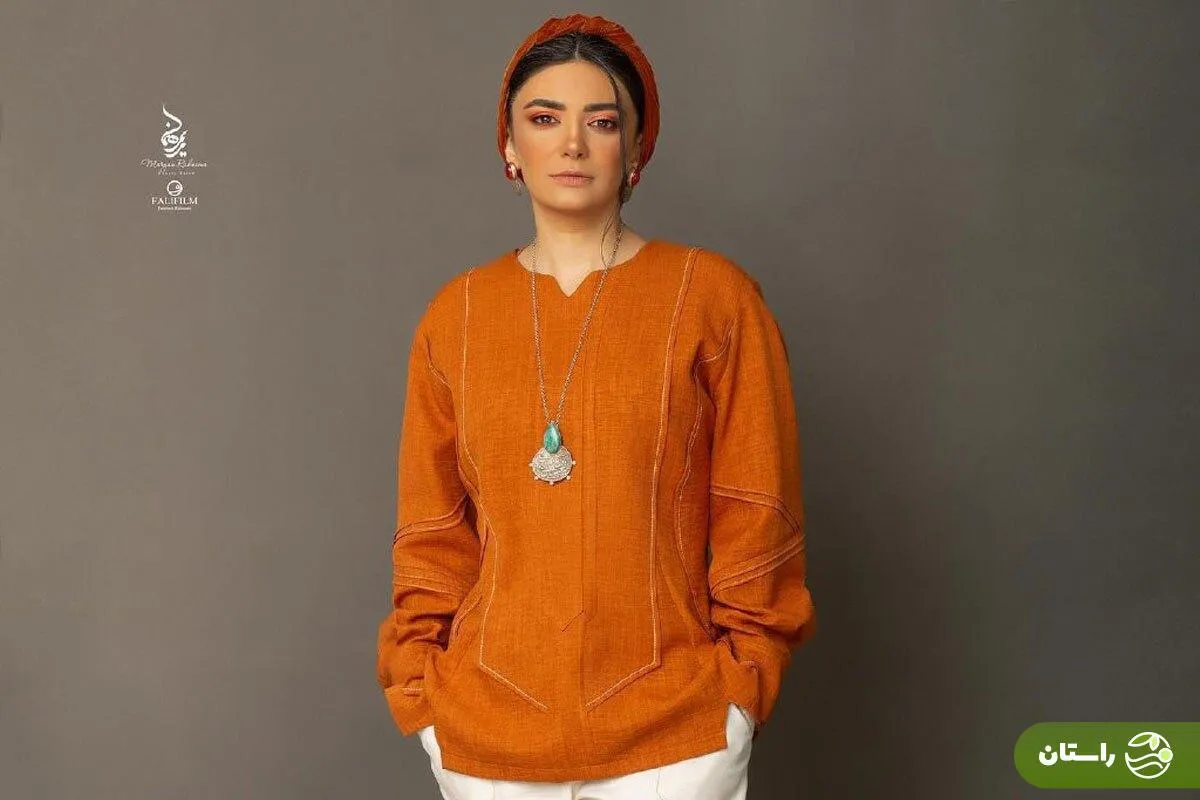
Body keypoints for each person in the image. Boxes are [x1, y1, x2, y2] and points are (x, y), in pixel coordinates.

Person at [375, 12, 817, 799]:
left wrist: (740, 694)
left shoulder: (712, 298)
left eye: (602, 122)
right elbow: (431, 535)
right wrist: (423, 697)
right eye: (545, 119)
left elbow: (758, 511)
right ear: (510, 145)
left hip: (676, 736)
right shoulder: (458, 316)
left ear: (636, 148)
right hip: (485, 739)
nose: (572, 144)